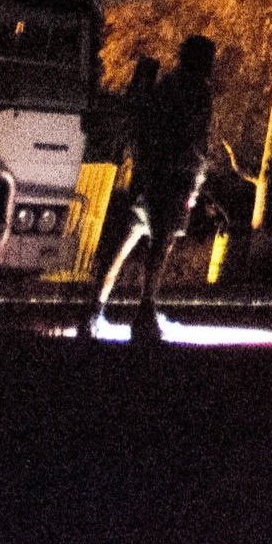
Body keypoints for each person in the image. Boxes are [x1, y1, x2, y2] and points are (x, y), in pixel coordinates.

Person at [92, 35, 217, 342]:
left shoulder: (165, 85)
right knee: (160, 245)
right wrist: (198, 173)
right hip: (175, 176)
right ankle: (145, 313)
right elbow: (194, 136)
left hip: (148, 173)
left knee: (126, 240)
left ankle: (95, 309)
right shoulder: (197, 91)